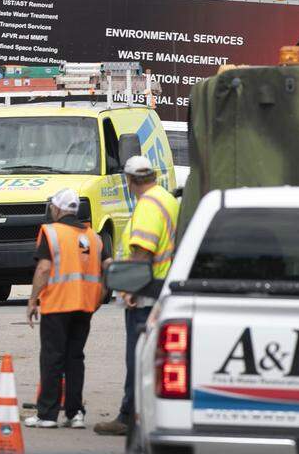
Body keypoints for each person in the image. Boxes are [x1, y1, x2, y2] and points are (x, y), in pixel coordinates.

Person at [94, 155, 179, 437]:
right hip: (160, 288)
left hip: (145, 292)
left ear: (130, 181)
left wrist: (129, 287)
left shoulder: (148, 205)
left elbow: (142, 249)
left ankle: (128, 416)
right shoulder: (165, 198)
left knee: (137, 357)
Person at [24, 188, 107, 430]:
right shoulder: (94, 237)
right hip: (84, 307)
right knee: (75, 357)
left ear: (58, 209)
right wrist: (98, 299)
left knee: (52, 358)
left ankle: (47, 415)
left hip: (58, 304)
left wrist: (32, 300)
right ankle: (75, 413)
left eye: (52, 206)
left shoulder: (51, 233)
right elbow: (108, 268)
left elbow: (43, 269)